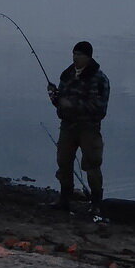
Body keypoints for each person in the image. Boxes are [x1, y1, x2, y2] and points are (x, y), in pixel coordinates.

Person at [47, 40, 110, 213]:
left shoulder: (100, 79)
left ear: (88, 57)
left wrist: (71, 104)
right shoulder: (66, 75)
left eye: (79, 54)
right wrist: (55, 98)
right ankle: (64, 199)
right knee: (63, 162)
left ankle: (96, 203)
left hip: (89, 128)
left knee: (92, 164)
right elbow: (61, 103)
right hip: (67, 126)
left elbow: (100, 108)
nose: (75, 57)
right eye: (74, 54)